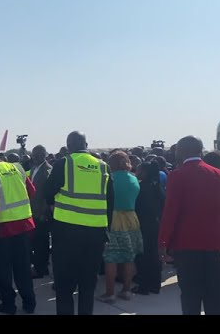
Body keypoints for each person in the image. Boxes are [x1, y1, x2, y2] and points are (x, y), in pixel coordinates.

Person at [44, 131, 114, 315]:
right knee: (88, 286)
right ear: (86, 143)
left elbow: (47, 191)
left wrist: (53, 206)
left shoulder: (64, 163)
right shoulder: (103, 166)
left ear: (68, 145)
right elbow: (110, 201)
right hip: (96, 234)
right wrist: (107, 231)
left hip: (67, 233)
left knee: (64, 286)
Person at [158, 136, 220, 315]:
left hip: (186, 245)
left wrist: (163, 242)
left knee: (190, 295)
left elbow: (170, 212)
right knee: (215, 294)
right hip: (212, 243)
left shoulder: (177, 175)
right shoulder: (218, 173)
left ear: (181, 151)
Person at [0, 145, 36, 314]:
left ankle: (9, 305)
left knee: (3, 271)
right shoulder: (17, 168)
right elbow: (32, 192)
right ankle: (29, 303)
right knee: (23, 267)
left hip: (3, 229)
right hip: (25, 225)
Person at [97, 151, 142, 303]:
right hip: (131, 218)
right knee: (129, 256)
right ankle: (126, 290)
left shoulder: (109, 179)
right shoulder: (134, 179)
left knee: (111, 258)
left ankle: (110, 293)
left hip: (114, 218)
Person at [133, 161, 164, 295]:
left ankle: (143, 286)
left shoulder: (140, 188)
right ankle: (155, 285)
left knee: (143, 255)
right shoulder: (157, 186)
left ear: (144, 172)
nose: (136, 172)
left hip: (142, 224)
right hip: (155, 223)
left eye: (138, 170)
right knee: (154, 255)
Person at [28, 145, 52, 279]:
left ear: (44, 155)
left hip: (41, 213)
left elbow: (47, 193)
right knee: (36, 242)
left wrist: (44, 212)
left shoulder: (47, 170)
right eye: (34, 154)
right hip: (33, 211)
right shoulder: (33, 168)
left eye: (38, 154)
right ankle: (40, 267)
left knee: (41, 243)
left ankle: (40, 269)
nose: (35, 157)